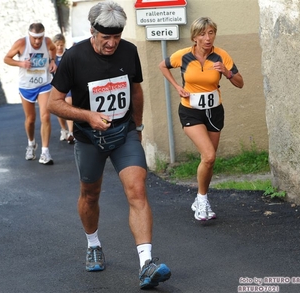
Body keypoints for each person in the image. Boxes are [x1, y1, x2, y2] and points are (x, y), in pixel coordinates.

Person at [48, 1, 171, 289]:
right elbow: (54, 103)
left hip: (123, 133)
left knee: (137, 189)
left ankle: (146, 264)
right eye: (106, 38)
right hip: (88, 138)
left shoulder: (129, 51)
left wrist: (137, 127)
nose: (112, 44)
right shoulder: (74, 57)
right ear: (93, 31)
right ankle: (93, 244)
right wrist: (87, 115)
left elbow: (136, 90)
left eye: (116, 37)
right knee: (90, 195)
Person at [158, 17, 244, 221]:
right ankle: (202, 200)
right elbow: (162, 65)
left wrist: (227, 73)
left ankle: (201, 199)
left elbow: (241, 83)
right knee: (209, 156)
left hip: (214, 112)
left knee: (209, 160)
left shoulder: (221, 56)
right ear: (195, 37)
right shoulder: (184, 56)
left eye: (211, 33)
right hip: (190, 111)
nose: (208, 38)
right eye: (203, 34)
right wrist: (177, 87)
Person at [4, 23, 57, 165]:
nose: (37, 41)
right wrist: (21, 64)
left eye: (40, 38)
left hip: (44, 84)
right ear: (29, 35)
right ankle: (31, 143)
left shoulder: (47, 42)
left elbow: (53, 49)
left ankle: (45, 152)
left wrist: (52, 61)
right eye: (34, 38)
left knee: (45, 116)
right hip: (26, 86)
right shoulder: (21, 43)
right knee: (31, 119)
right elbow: (7, 58)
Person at [52, 33, 74, 144]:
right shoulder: (52, 57)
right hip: (56, 85)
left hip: (68, 84)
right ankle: (63, 130)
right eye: (57, 45)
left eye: (62, 45)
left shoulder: (68, 53)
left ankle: (71, 132)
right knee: (58, 108)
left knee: (68, 104)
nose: (60, 47)